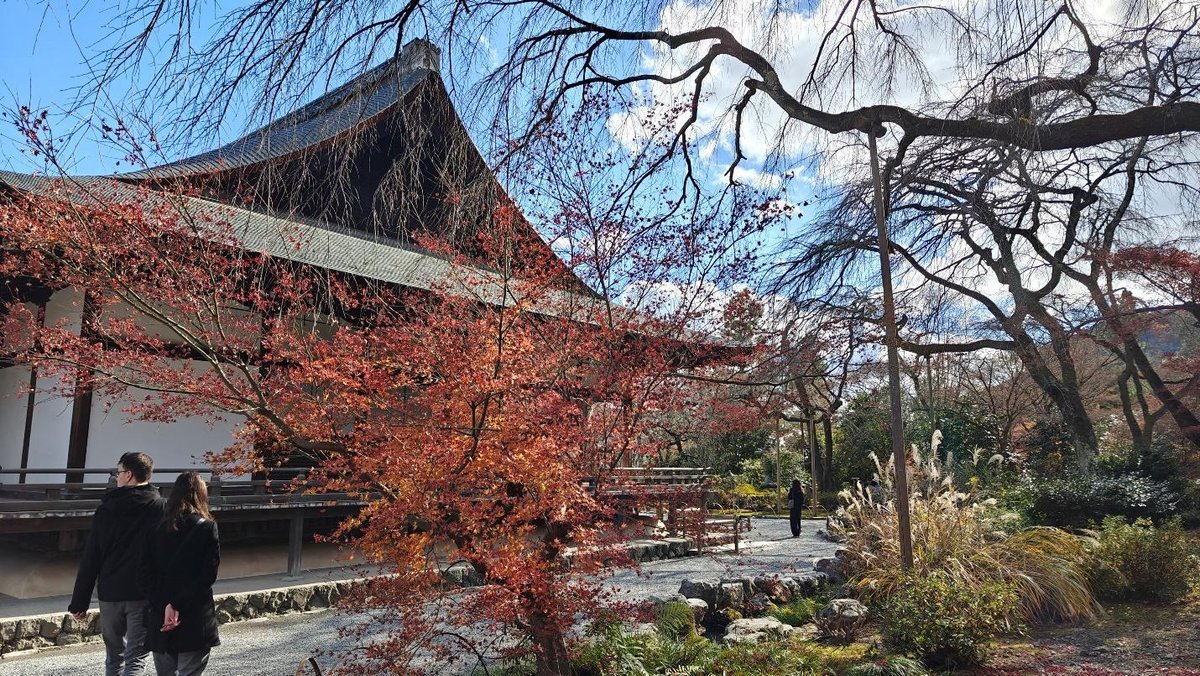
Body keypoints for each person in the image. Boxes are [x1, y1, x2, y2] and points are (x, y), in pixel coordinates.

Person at [69, 451, 165, 676]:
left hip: (110, 591)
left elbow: (92, 555)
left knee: (114, 655)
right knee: (136, 657)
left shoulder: (106, 509)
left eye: (119, 472)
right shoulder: (159, 507)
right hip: (143, 592)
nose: (117, 476)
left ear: (129, 475)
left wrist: (79, 601)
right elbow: (164, 554)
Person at [143, 472, 221, 676]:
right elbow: (207, 576)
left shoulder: (155, 528)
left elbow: (144, 574)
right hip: (194, 613)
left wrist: (166, 605)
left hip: (161, 613)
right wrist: (177, 604)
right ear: (201, 494)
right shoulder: (206, 528)